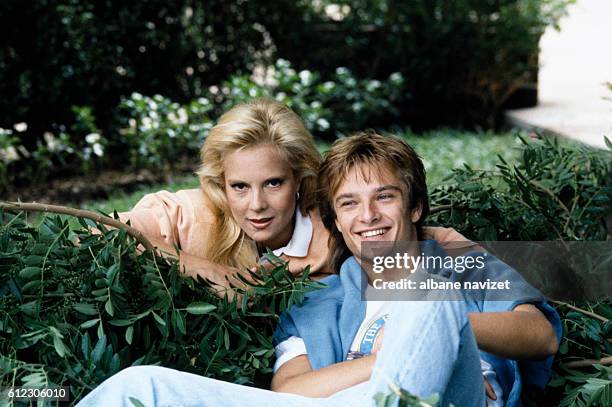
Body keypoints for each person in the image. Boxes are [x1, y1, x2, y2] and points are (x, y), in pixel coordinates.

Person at [77, 132, 561, 406]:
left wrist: (441, 326)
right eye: (349, 204)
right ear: (336, 220)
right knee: (137, 388)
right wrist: (387, 359)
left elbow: (540, 335)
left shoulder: (460, 264)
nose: (367, 216)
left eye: (384, 197)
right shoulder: (318, 298)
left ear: (415, 207)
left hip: (454, 399)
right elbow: (291, 391)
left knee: (427, 298)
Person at [118, 99, 472, 293]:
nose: (256, 205)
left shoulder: (334, 225)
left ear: (300, 178)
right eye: (239, 187)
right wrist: (208, 269)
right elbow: (103, 233)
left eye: (274, 183)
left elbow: (414, 240)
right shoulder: (190, 212)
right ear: (220, 183)